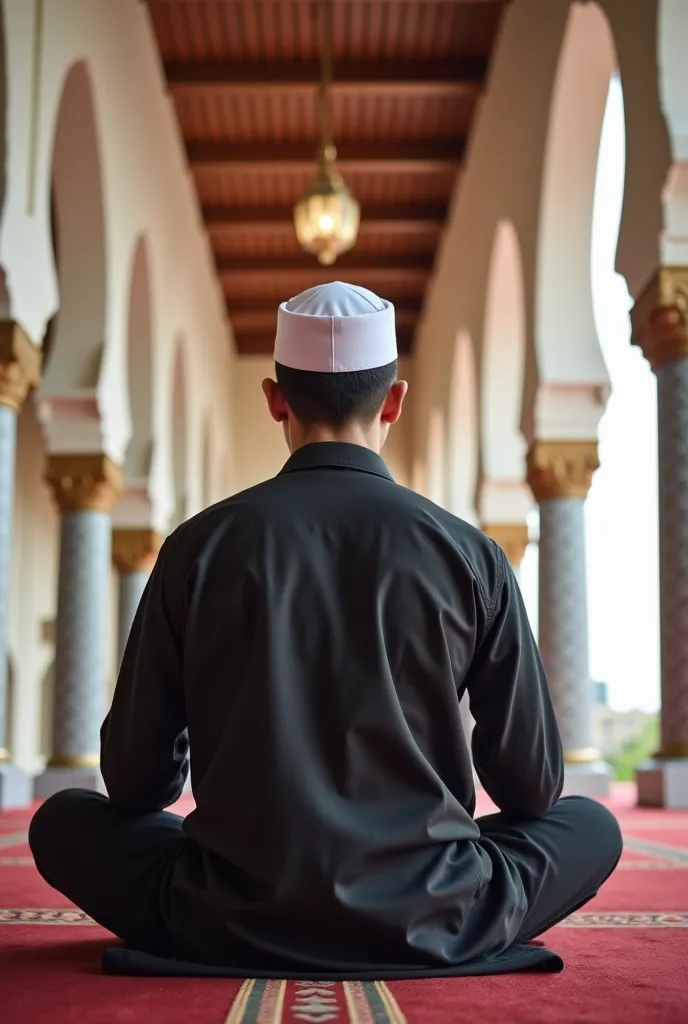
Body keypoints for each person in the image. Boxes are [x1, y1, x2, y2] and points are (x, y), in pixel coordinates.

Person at [29, 282, 622, 979]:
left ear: (275, 399)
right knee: (592, 826)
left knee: (63, 819)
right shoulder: (471, 555)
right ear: (393, 401)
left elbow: (134, 784)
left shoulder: (197, 547)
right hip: (438, 910)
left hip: (226, 910)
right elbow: (532, 790)